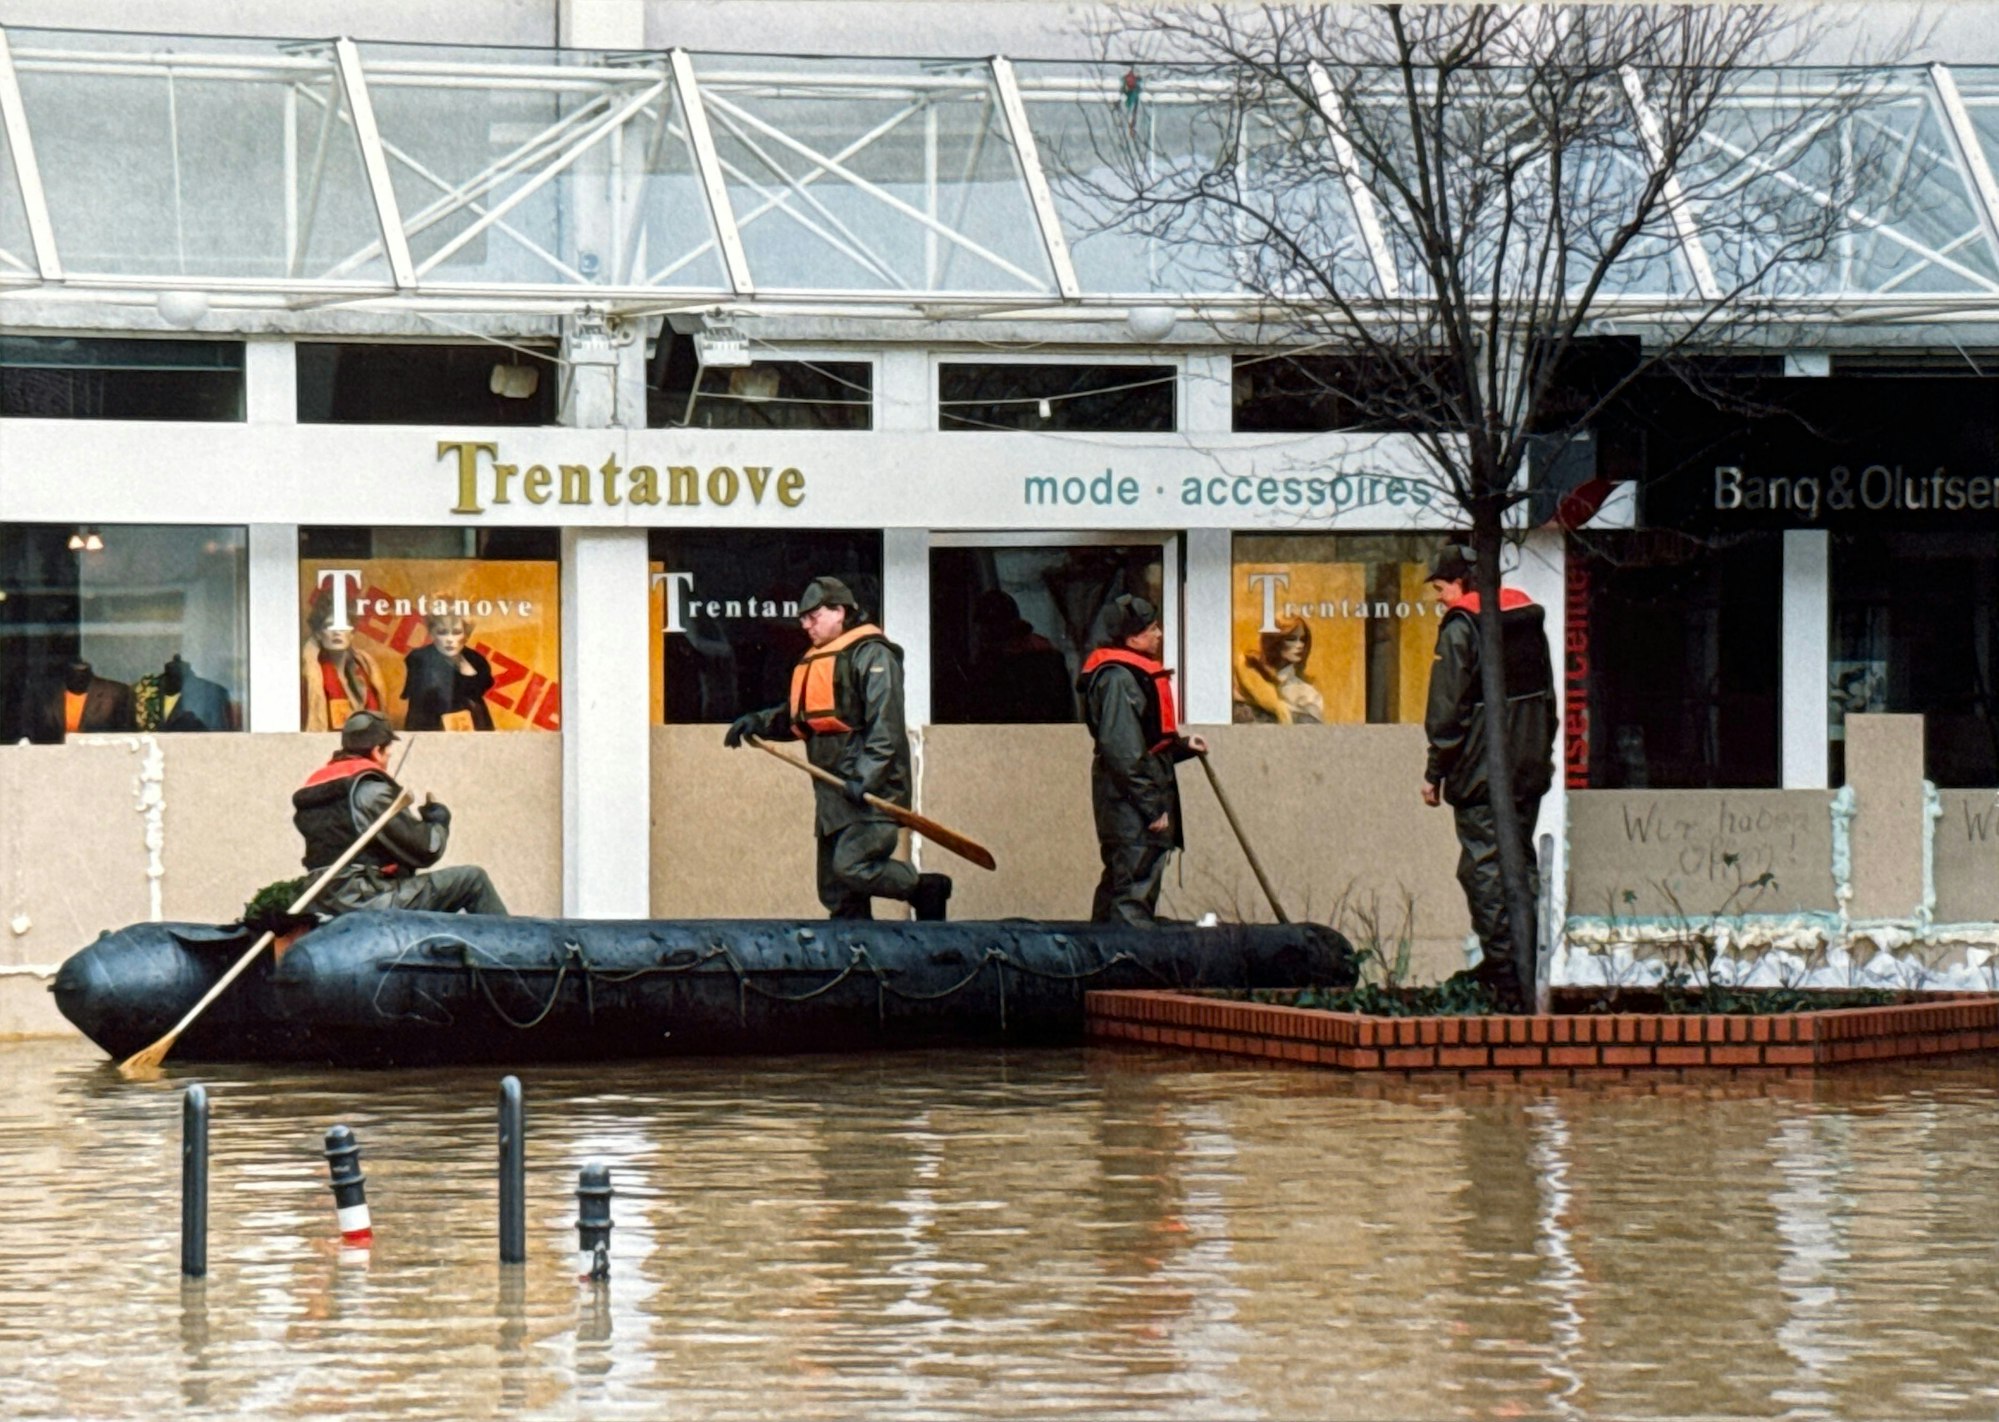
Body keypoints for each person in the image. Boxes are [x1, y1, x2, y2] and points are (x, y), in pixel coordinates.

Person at [724, 577, 953, 922]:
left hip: (869, 793)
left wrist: (867, 776)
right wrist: (757, 722)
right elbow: (802, 718)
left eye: (812, 616)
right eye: (802, 618)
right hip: (832, 793)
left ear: (839, 611)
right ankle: (858, 960)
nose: (805, 625)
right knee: (835, 889)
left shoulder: (873, 655)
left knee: (853, 866)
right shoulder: (820, 658)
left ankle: (924, 888)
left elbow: (885, 726)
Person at [1420, 543, 1556, 1007]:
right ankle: (1531, 964)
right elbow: (1550, 702)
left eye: (1440, 587)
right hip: (1529, 768)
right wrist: (1540, 753)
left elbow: (1446, 710)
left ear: (1460, 582)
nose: (1439, 599)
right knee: (1521, 864)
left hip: (1480, 773)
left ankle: (1504, 975)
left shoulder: (1462, 627)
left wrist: (1434, 771)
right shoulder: (1527, 617)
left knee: (1481, 868)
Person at [291, 710, 508, 916]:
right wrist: (438, 822)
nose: (388, 758)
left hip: (321, 896)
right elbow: (425, 849)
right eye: (387, 751)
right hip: (366, 898)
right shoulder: (371, 791)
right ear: (377, 750)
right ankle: (515, 947)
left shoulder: (316, 786)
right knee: (472, 879)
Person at [1077, 594, 1208, 925]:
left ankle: (1105, 962)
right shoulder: (1119, 680)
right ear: (1133, 637)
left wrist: (1182, 746)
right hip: (1130, 805)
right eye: (1153, 628)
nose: (1160, 634)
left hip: (1127, 800)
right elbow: (1123, 751)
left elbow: (1139, 743)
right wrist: (1152, 808)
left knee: (1122, 880)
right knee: (1132, 888)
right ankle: (1126, 965)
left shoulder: (1121, 677)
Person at [302, 588, 386, 733]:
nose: (337, 631)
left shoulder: (366, 670)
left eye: (344, 625)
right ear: (318, 633)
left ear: (352, 633)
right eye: (329, 625)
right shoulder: (310, 676)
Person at [402, 613, 496, 731]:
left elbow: (481, 688)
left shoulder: (476, 660)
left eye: (456, 633)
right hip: (431, 726)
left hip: (475, 726)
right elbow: (421, 702)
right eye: (442, 632)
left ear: (466, 635)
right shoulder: (419, 658)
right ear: (432, 634)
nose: (449, 639)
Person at [1232, 615, 1325, 724]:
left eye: (1303, 639)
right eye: (1291, 639)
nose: (1300, 645)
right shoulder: (1248, 677)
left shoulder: (1306, 694)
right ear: (1275, 642)